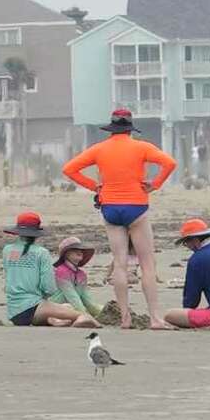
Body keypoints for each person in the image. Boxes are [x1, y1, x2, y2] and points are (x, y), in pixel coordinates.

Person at [61, 109, 177, 329]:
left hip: (110, 207)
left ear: (112, 128)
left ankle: (125, 318)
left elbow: (69, 169)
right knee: (147, 264)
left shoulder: (99, 149)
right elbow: (170, 163)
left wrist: (94, 186)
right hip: (137, 206)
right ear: (130, 129)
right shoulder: (142, 147)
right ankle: (154, 318)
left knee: (120, 265)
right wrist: (155, 184)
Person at [1, 213, 98, 328]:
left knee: (66, 307)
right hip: (34, 307)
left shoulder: (7, 250)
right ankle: (81, 319)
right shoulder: (41, 253)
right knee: (81, 315)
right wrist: (45, 297)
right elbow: (49, 287)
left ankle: (54, 320)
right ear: (36, 233)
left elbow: (9, 275)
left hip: (13, 312)